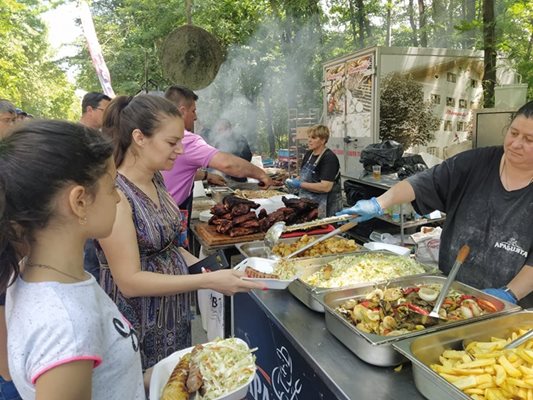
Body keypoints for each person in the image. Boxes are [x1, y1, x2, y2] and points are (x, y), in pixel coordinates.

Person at [96, 94, 264, 369]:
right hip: (139, 322)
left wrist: (218, 271)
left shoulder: (157, 178)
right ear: (139, 137)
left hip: (172, 313)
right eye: (172, 143)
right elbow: (129, 281)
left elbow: (170, 247)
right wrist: (206, 281)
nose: (180, 151)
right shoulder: (115, 194)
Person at [0, 120, 145, 399]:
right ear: (79, 202)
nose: (118, 199)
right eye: (112, 186)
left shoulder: (34, 275)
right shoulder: (67, 326)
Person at [337, 100, 533, 307]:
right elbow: (423, 182)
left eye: (530, 139)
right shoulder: (476, 163)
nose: (516, 144)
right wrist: (379, 202)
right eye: (513, 133)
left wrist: (509, 294)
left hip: (511, 307)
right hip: (450, 293)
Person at [162, 85, 273, 219]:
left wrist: (207, 176)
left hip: (156, 211)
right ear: (182, 111)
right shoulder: (185, 139)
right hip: (171, 215)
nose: (195, 117)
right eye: (193, 111)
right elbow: (228, 165)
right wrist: (262, 175)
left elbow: (176, 170)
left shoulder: (156, 133)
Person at [79, 92, 112, 281]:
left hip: (99, 206)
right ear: (89, 109)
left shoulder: (101, 138)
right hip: (86, 207)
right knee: (91, 261)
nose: (107, 116)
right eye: (104, 110)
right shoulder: (75, 137)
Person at [285, 124, 343, 217]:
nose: (309, 140)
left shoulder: (329, 158)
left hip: (326, 205)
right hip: (307, 202)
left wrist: (300, 184)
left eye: (313, 138)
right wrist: (295, 180)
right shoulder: (309, 154)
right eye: (309, 137)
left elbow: (326, 187)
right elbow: (303, 176)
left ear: (323, 140)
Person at [210, 118, 253, 183]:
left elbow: (247, 158)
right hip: (223, 178)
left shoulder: (240, 139)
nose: (218, 132)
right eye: (218, 130)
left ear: (228, 129)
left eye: (220, 130)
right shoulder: (219, 141)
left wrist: (231, 163)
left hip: (239, 179)